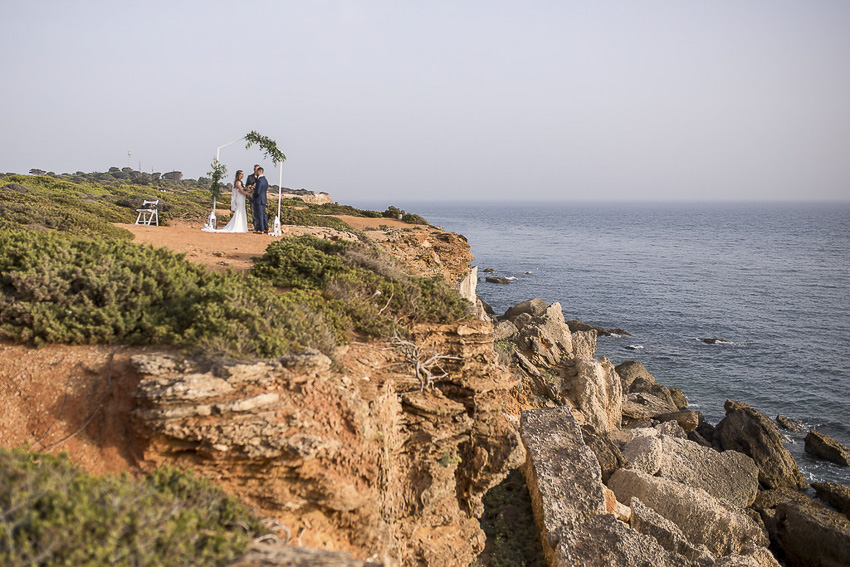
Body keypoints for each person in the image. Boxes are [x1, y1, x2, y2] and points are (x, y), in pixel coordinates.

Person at [251, 166, 269, 233]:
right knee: (263, 214)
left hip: (259, 199)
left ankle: (261, 229)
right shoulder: (265, 180)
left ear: (259, 171)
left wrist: (253, 195)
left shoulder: (259, 180)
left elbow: (258, 192)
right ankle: (266, 228)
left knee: (260, 214)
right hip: (263, 199)